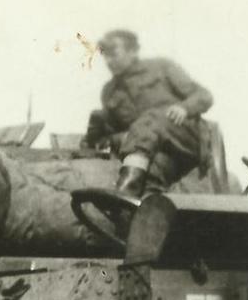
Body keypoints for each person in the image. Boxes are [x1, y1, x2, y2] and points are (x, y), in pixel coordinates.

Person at [87, 29, 214, 197]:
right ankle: (139, 206)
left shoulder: (161, 67)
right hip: (153, 151)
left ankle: (125, 189)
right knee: (153, 173)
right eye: (105, 56)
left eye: (114, 54)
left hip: (185, 138)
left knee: (150, 119)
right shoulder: (109, 91)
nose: (109, 61)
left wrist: (185, 108)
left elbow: (204, 95)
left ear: (133, 51)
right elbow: (111, 134)